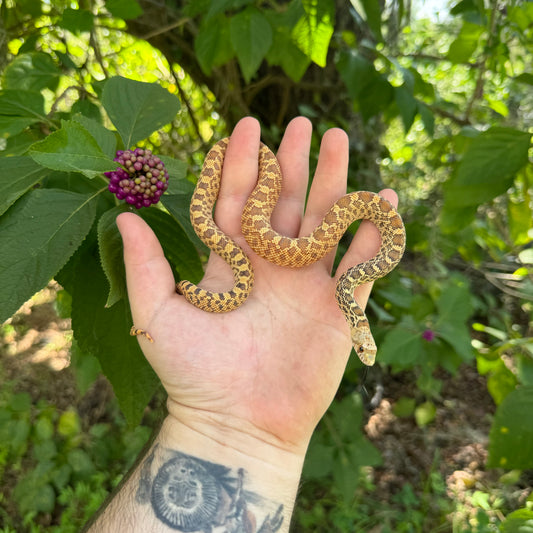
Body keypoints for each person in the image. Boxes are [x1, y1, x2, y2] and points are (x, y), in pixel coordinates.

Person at [85, 116, 398, 532]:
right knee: (249, 163)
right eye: (362, 347)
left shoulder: (371, 265)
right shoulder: (335, 282)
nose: (361, 353)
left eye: (361, 348)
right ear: (362, 334)